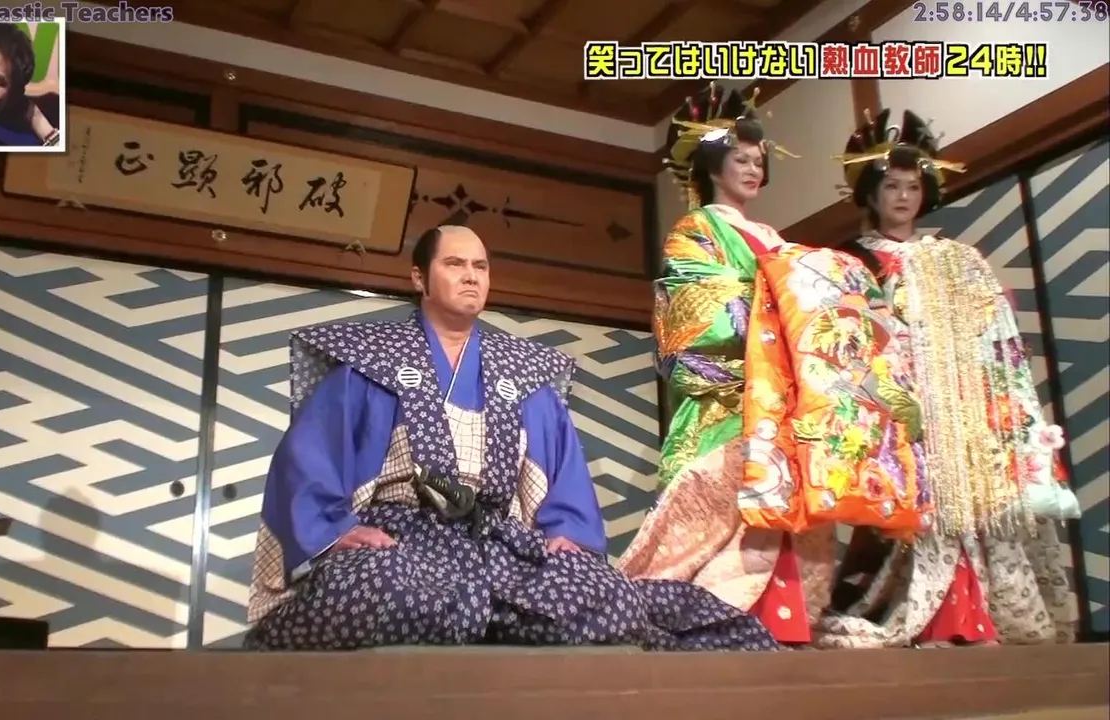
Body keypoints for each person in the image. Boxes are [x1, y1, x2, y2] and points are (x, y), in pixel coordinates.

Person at [241, 225, 779, 651]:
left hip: (498, 543)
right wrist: (336, 531)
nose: (470, 276)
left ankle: (491, 617)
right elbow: (306, 461)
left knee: (605, 598)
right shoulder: (371, 361)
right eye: (454, 264)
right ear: (419, 277)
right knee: (377, 591)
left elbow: (563, 469)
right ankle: (486, 622)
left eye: (480, 266)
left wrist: (565, 532)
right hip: (402, 542)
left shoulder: (520, 372)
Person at [615, 84, 929, 646]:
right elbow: (695, 311)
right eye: (740, 159)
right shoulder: (696, 231)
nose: (753, 169)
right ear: (712, 165)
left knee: (794, 493)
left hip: (781, 390)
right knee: (726, 501)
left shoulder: (774, 240)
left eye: (759, 161)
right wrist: (775, 310)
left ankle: (791, 614)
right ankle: (709, 609)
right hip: (733, 393)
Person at [815, 109, 1080, 648]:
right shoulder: (852, 261)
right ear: (870, 193)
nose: (903, 196)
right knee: (913, 506)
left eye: (913, 186)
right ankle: (928, 613)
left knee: (973, 502)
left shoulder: (958, 258)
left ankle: (976, 612)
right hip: (898, 402)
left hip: (959, 402)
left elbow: (992, 334)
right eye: (891, 186)